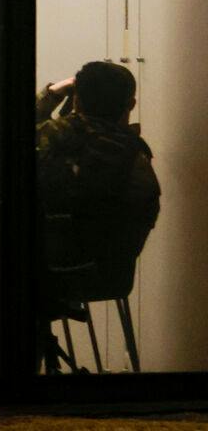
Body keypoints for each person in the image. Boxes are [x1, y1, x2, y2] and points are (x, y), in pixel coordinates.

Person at [34, 61, 160, 370]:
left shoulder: (46, 137)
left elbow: (0, 134)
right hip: (105, 276)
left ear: (76, 98)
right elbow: (142, 219)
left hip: (32, 274)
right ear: (130, 103)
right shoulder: (135, 157)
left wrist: (51, 94)